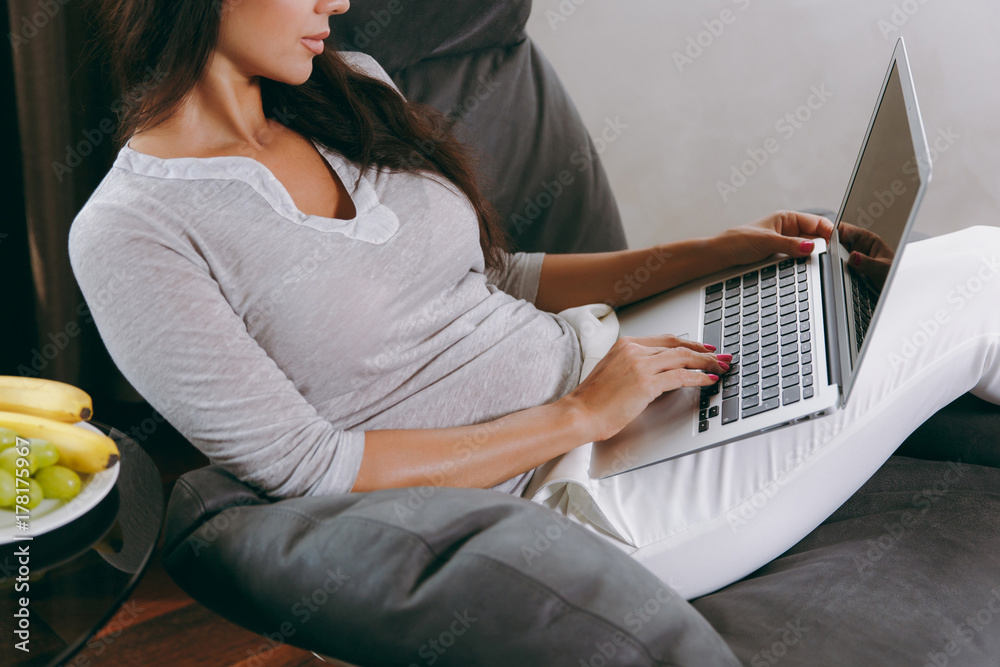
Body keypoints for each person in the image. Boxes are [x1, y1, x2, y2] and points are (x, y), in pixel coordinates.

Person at [70, 0, 1000, 600]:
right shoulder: (131, 232)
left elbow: (496, 277)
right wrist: (578, 414)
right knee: (982, 279)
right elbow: (308, 466)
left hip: (624, 373)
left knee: (907, 276)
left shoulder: (344, 95)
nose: (340, 3)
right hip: (568, 502)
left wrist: (715, 251)